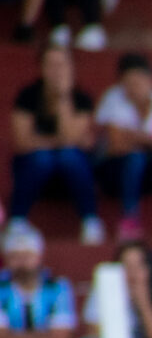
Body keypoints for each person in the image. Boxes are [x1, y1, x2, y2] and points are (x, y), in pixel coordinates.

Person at [10, 40, 102, 243]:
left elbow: (69, 138)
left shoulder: (80, 99)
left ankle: (90, 220)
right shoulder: (28, 96)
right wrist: (59, 143)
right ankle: (17, 220)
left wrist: (63, 97)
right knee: (43, 158)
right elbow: (22, 142)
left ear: (71, 67)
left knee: (69, 156)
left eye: (62, 64)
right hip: (34, 170)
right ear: (41, 68)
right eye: (51, 64)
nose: (57, 71)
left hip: (71, 172)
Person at [94, 52, 152, 242]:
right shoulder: (113, 100)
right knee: (135, 159)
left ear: (150, 80)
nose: (135, 88)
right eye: (129, 82)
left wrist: (135, 136)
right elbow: (116, 144)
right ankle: (130, 220)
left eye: (140, 81)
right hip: (116, 170)